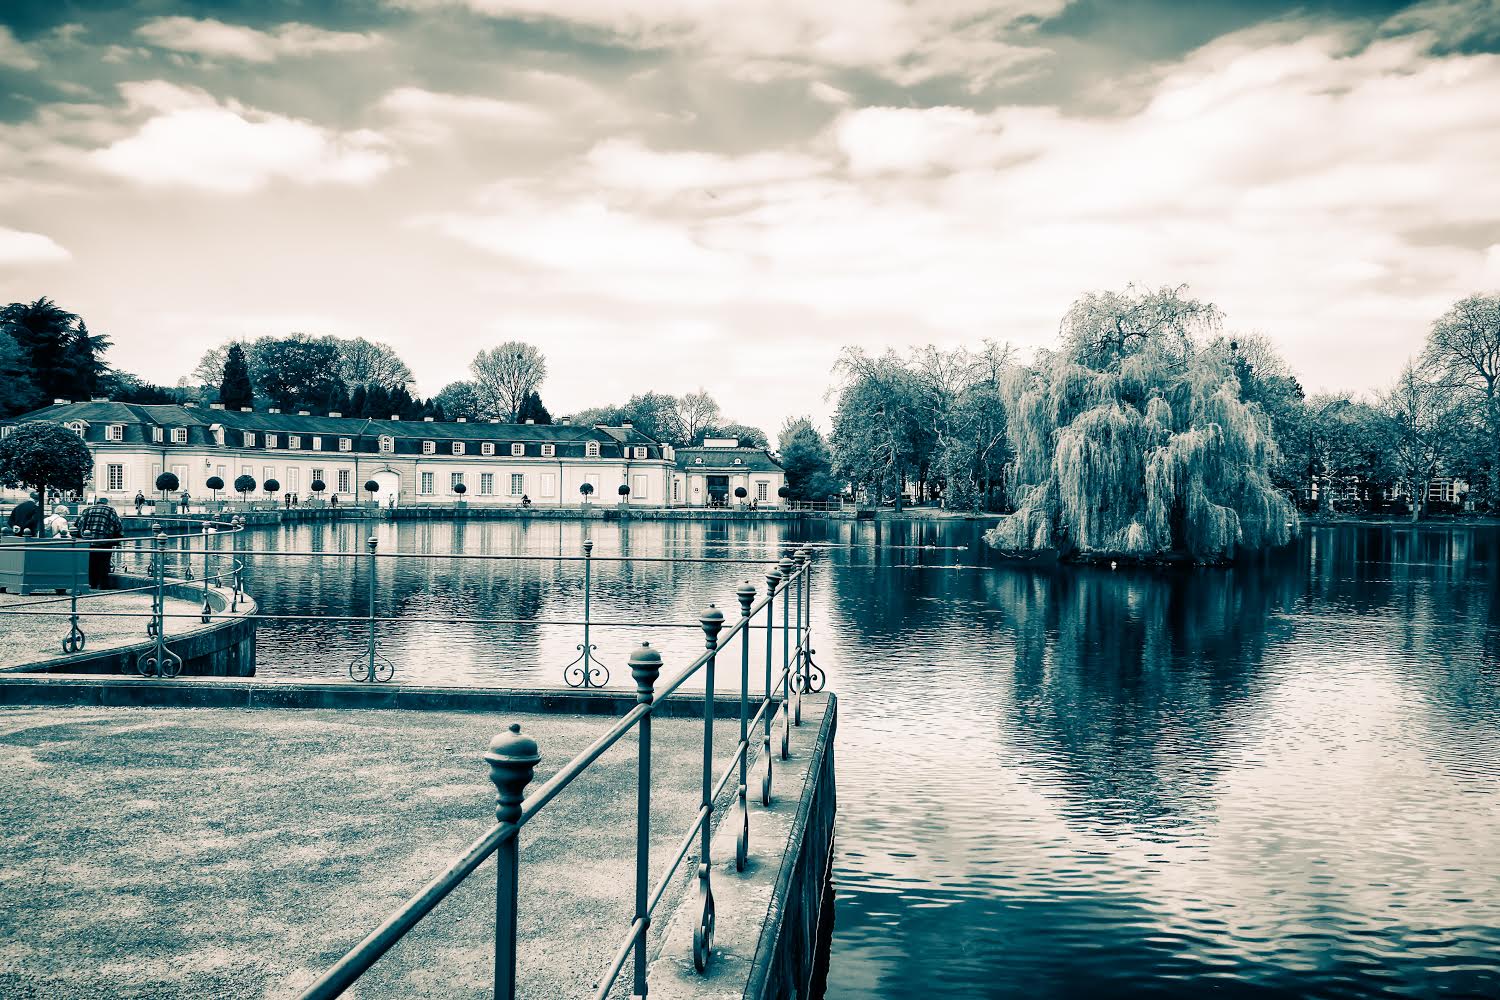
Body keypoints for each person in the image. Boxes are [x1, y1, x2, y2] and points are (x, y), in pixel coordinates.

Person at [76, 496, 124, 590]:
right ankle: (103, 585)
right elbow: (118, 524)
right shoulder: (110, 510)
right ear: (106, 503)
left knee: (92, 562)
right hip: (104, 540)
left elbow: (80, 523)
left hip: (89, 541)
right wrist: (119, 535)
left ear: (97, 502)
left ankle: (92, 583)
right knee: (104, 562)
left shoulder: (88, 510)